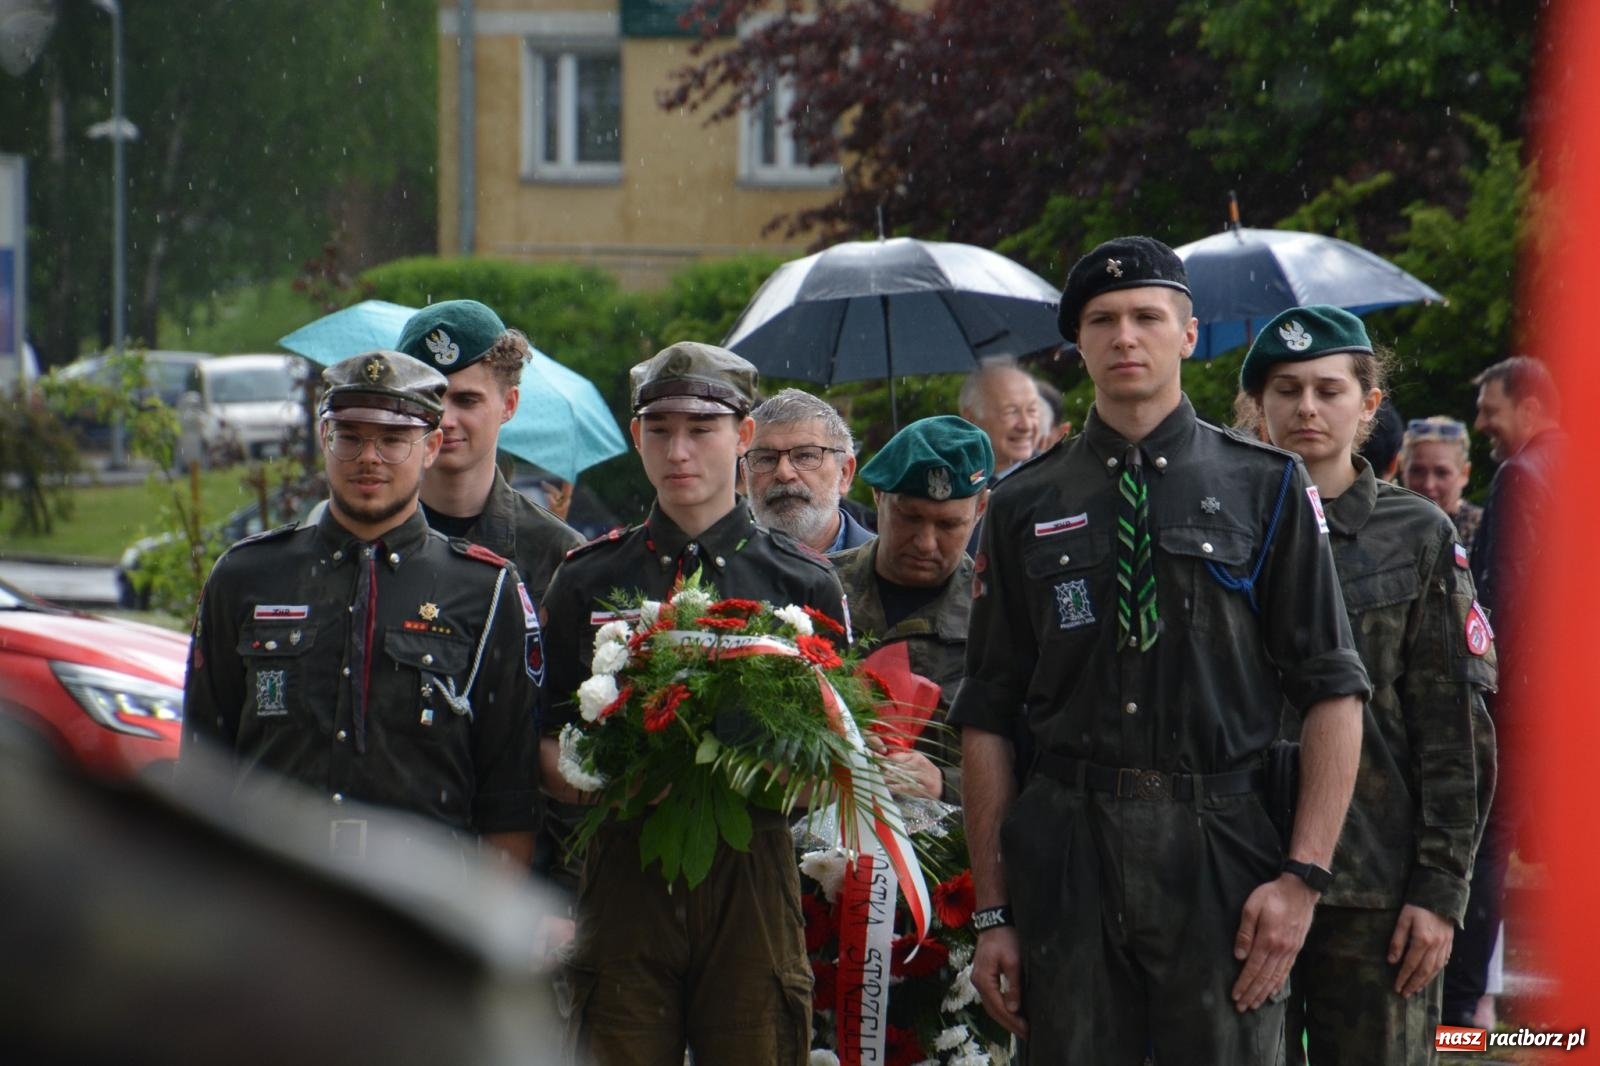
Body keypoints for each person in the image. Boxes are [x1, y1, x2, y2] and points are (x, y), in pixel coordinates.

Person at [950, 237, 1370, 1064]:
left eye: (1148, 316)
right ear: (1078, 346)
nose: (1125, 336)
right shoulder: (1022, 502)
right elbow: (989, 714)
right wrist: (995, 914)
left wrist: (1302, 881)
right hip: (1069, 851)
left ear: (1187, 333)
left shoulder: (1267, 485)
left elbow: (1333, 690)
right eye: (1102, 321)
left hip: (1223, 850)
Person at [537, 342, 849, 1066]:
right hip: (622, 870)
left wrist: (748, 774)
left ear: (742, 436)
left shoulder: (802, 582)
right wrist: (602, 773)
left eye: (701, 430)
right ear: (636, 434)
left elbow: (834, 752)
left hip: (753, 870)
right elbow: (545, 737)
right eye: (659, 429)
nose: (679, 451)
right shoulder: (586, 578)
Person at [1237, 306, 1496, 1065]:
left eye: (1328, 389)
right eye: (1285, 390)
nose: (1307, 409)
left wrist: (1440, 891)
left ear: (1369, 404)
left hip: (1374, 891)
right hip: (1238, 875)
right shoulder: (1214, 525)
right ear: (1258, 406)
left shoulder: (1416, 534)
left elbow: (1455, 729)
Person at [181, 350, 543, 863]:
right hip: (269, 898)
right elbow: (201, 769)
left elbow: (508, 802)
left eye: (393, 440)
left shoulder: (484, 591)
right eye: (349, 436)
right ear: (324, 438)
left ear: (432, 446)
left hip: (418, 912)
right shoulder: (245, 577)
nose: (368, 457)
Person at [1444, 355, 1564, 1029]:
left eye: (1490, 407)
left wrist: (1483, 695)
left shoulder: (1522, 474)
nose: (1482, 422)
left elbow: (1504, 601)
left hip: (1519, 701)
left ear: (1529, 404)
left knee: (1485, 845)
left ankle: (1461, 1012)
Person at [831, 414, 992, 805]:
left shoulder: (998, 615)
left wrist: (945, 783)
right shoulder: (821, 588)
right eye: (910, 517)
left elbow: (1032, 758)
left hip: (950, 856)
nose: (925, 542)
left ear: (981, 508)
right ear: (879, 497)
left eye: (949, 524)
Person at [396, 299, 584, 601]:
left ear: (508, 405)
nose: (445, 419)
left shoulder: (556, 552)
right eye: (429, 399)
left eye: (467, 400)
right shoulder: (370, 535)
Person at [744, 387, 872, 553]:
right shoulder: (715, 571)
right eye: (766, 459)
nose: (784, 473)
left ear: (845, 473)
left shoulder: (890, 569)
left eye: (805, 456)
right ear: (744, 474)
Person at [1401, 416, 1483, 553]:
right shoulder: (1386, 526)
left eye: (1441, 473)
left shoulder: (1483, 531)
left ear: (1464, 473)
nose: (1428, 485)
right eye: (1418, 471)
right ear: (1403, 469)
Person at [958, 362, 1041, 480]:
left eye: (1032, 410)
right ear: (971, 418)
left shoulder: (1055, 480)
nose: (1026, 425)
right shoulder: (952, 480)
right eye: (1011, 412)